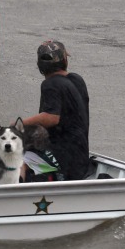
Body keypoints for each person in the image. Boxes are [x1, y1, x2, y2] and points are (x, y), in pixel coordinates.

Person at [20, 39, 91, 181]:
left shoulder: (50, 84)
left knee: (15, 160)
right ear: (64, 60)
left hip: (63, 157)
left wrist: (19, 124)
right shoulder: (77, 80)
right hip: (80, 156)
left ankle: (12, 196)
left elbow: (51, 118)